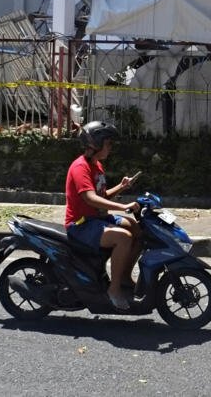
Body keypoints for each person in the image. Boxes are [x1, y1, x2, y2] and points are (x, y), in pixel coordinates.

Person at [64, 120, 142, 310]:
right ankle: (113, 290)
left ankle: (123, 277)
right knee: (123, 238)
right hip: (81, 225)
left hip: (97, 219)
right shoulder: (80, 167)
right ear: (96, 144)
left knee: (136, 230)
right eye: (108, 143)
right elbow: (90, 198)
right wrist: (122, 207)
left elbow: (101, 195)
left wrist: (121, 187)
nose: (111, 147)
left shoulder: (96, 166)